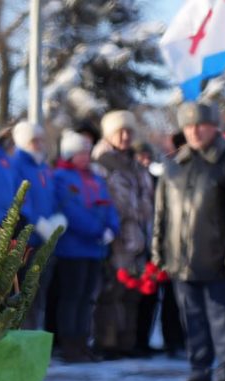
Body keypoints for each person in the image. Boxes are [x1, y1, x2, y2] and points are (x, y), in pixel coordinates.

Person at [153, 103, 225, 381]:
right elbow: (161, 213)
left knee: (222, 321)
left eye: (201, 125)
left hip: (217, 258)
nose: (195, 131)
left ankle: (224, 376)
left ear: (214, 127)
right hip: (180, 257)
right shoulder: (173, 165)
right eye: (189, 126)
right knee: (192, 319)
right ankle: (199, 372)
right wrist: (158, 249)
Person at [52, 131, 119, 363]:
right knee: (72, 297)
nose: (86, 156)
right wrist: (96, 230)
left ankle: (83, 341)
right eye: (81, 152)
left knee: (88, 297)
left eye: (87, 152)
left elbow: (108, 204)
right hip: (73, 247)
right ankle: (69, 343)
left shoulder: (95, 177)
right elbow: (71, 211)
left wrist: (112, 227)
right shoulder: (61, 177)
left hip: (95, 248)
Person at [92, 110, 155, 358]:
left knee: (133, 292)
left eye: (129, 131)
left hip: (138, 236)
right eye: (120, 131)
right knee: (112, 292)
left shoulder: (133, 162)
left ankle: (128, 342)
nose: (125, 136)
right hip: (115, 235)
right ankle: (107, 342)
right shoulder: (101, 162)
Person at [10, 120, 65, 330]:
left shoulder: (42, 166)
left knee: (39, 290)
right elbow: (20, 199)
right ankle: (24, 332)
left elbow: (51, 197)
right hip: (29, 238)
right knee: (25, 291)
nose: (39, 144)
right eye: (34, 140)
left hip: (46, 237)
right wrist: (36, 222)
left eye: (41, 139)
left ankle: (35, 332)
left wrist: (57, 218)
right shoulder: (17, 164)